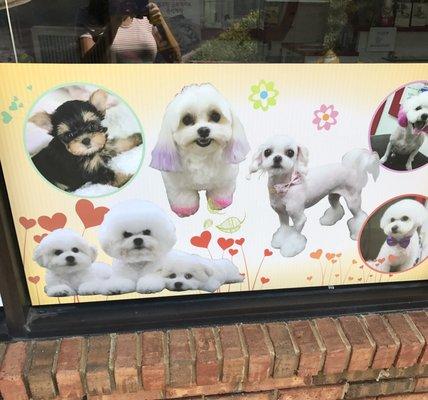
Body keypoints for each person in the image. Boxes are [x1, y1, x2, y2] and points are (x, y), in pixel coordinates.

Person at [79, 0, 181, 63]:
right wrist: (116, 20)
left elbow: (175, 60)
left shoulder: (144, 14)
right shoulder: (92, 15)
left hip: (147, 86)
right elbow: (89, 64)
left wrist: (160, 22)